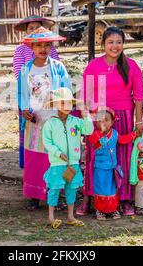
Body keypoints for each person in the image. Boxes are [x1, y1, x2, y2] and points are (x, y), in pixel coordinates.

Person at [80, 26, 143, 216]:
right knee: (95, 159)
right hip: (99, 119)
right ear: (103, 44)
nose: (115, 46)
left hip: (123, 117)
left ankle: (124, 199)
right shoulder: (94, 65)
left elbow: (139, 97)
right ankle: (89, 198)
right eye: (110, 42)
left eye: (118, 42)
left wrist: (139, 121)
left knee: (122, 159)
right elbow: (85, 95)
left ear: (124, 44)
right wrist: (87, 122)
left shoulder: (131, 66)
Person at [18, 27, 70, 211]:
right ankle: (34, 194)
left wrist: (64, 111)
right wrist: (25, 111)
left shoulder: (58, 67)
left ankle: (56, 193)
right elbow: (22, 94)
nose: (43, 49)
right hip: (35, 120)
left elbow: (67, 90)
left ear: (51, 47)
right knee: (35, 157)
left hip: (55, 118)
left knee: (55, 157)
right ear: (32, 47)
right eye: (39, 45)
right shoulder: (26, 69)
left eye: (47, 45)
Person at [42, 87, 93, 229]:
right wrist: (58, 153)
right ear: (56, 104)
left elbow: (88, 130)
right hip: (57, 164)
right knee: (54, 189)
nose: (67, 106)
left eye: (70, 103)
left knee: (71, 189)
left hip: (73, 164)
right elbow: (47, 142)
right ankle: (51, 217)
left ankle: (71, 216)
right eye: (63, 103)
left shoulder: (76, 121)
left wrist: (86, 115)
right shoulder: (50, 123)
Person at [13, 15, 60, 169]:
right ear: (26, 32)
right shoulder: (20, 50)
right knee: (31, 136)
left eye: (38, 27)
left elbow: (57, 74)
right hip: (30, 98)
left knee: (50, 136)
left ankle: (50, 170)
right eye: (31, 29)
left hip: (50, 101)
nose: (35, 31)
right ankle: (32, 170)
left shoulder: (51, 51)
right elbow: (19, 75)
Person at [87, 107, 138, 220]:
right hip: (100, 168)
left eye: (106, 120)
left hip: (112, 168)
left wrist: (134, 135)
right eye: (100, 120)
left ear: (112, 122)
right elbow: (94, 144)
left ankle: (112, 209)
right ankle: (100, 211)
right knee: (100, 189)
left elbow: (123, 140)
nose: (103, 122)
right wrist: (100, 135)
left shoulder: (114, 133)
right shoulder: (95, 134)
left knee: (112, 189)